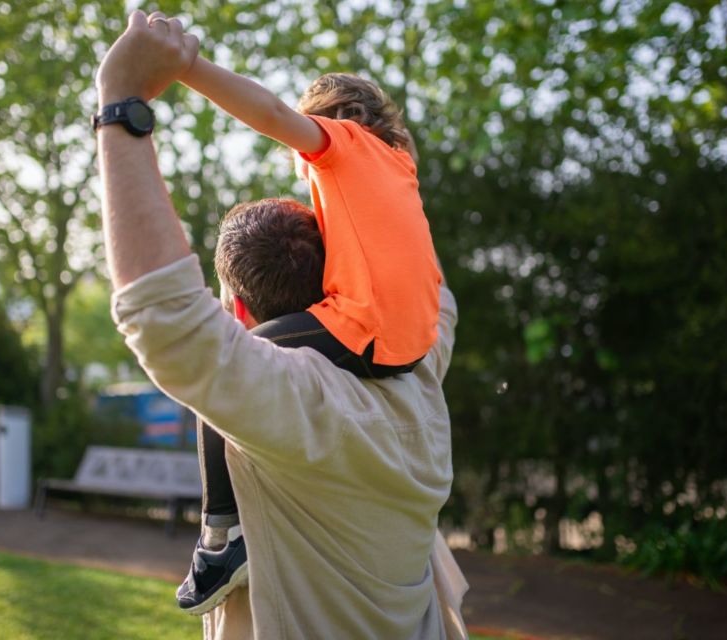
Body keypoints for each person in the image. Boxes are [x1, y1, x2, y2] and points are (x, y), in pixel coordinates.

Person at [94, 11, 465, 639]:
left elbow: (170, 325)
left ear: (235, 307)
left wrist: (124, 97)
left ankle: (221, 535)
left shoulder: (297, 404)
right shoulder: (423, 362)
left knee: (212, 398)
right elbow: (422, 273)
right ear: (330, 281)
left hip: (337, 331)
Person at [174, 28, 443, 614]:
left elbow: (266, 109)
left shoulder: (340, 144)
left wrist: (185, 67)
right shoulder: (400, 164)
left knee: (222, 369)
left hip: (367, 330)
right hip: (416, 338)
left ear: (331, 119)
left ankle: (221, 537)